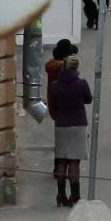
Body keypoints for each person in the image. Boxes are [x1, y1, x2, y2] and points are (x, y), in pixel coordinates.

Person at [47, 44, 91, 206]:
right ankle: (75, 196)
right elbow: (88, 99)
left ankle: (60, 195)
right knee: (74, 162)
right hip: (78, 124)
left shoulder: (55, 85)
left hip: (61, 124)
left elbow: (54, 104)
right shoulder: (81, 83)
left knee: (62, 161)